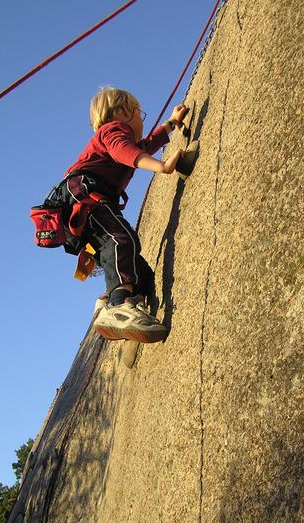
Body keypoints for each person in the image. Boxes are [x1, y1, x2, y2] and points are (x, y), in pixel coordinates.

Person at [61, 86, 188, 343]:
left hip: (78, 218)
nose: (141, 118)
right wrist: (161, 167)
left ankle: (113, 303)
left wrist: (172, 123)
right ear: (122, 112)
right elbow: (126, 151)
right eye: (139, 113)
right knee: (122, 240)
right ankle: (118, 306)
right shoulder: (113, 131)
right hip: (84, 198)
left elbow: (144, 145)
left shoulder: (112, 139)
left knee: (139, 273)